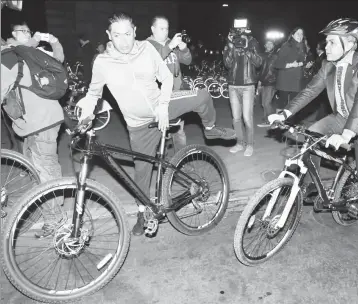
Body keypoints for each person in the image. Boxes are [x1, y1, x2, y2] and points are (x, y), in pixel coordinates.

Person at [76, 12, 236, 236]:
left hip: (163, 107)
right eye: (117, 35)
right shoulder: (102, 62)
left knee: (202, 95)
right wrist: (86, 115)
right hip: (138, 125)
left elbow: (167, 77)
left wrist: (162, 105)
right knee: (141, 173)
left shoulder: (146, 49)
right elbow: (93, 94)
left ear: (135, 32)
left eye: (127, 34)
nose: (123, 40)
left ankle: (210, 129)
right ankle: (143, 213)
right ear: (108, 36)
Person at [268, 18, 358, 249]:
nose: (325, 47)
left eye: (331, 42)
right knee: (311, 136)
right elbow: (309, 90)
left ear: (349, 44)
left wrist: (347, 134)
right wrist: (285, 112)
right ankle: (311, 185)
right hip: (339, 119)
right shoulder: (328, 65)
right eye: (326, 42)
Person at [2, 21, 65, 238]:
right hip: (42, 120)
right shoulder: (27, 52)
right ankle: (50, 209)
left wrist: (52, 41)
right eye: (24, 31)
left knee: (44, 170)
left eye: (28, 31)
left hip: (40, 121)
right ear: (12, 34)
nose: (28, 34)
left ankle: (56, 220)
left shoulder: (13, 56)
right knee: (40, 167)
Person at [147, 15, 192, 150]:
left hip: (176, 93)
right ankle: (159, 163)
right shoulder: (147, 45)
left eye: (166, 29)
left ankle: (180, 162)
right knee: (157, 133)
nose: (165, 32)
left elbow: (187, 61)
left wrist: (184, 49)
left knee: (179, 132)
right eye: (161, 28)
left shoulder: (170, 43)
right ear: (153, 29)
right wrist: (170, 45)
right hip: (158, 98)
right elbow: (152, 63)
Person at [223, 25, 262, 156]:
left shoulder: (253, 42)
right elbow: (227, 64)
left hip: (248, 85)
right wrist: (230, 46)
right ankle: (240, 143)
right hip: (233, 85)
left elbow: (259, 62)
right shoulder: (231, 43)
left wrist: (247, 49)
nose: (239, 33)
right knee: (236, 118)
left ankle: (250, 144)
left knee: (247, 117)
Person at [256, 39, 278, 127]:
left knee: (266, 103)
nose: (269, 45)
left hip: (271, 82)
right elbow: (260, 69)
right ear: (265, 45)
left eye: (271, 44)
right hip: (264, 81)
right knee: (264, 103)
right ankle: (267, 118)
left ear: (273, 46)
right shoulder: (263, 55)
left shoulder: (275, 56)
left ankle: (272, 120)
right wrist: (259, 81)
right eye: (267, 44)